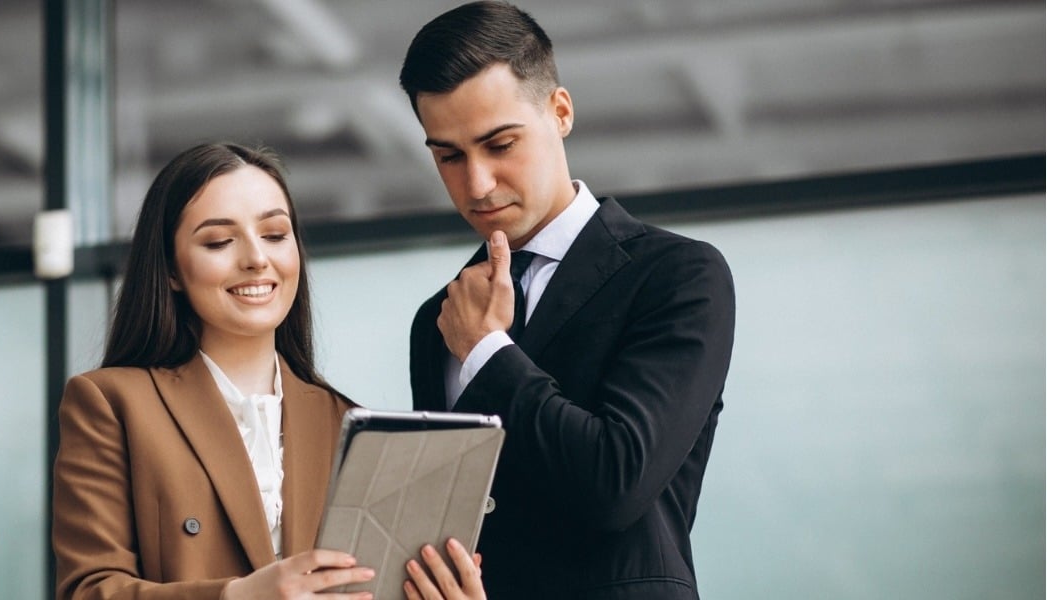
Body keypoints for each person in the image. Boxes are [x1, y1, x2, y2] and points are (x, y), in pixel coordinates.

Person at [398, 2, 737, 599]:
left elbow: (615, 483)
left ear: (560, 112)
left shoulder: (678, 275)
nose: (476, 183)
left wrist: (487, 351)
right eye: (449, 156)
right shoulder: (438, 319)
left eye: (499, 144)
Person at [51, 143, 379, 600]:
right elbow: (89, 592)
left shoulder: (346, 420)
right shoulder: (111, 403)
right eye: (219, 241)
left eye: (275, 235)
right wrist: (237, 597)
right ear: (170, 270)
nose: (256, 259)